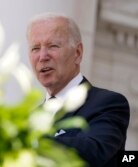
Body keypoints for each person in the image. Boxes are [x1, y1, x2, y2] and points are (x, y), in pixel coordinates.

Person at [26, 13, 130, 167]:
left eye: (53, 46)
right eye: (35, 48)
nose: (42, 56)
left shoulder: (108, 103)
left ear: (78, 53)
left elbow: (94, 151)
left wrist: (27, 142)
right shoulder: (29, 119)